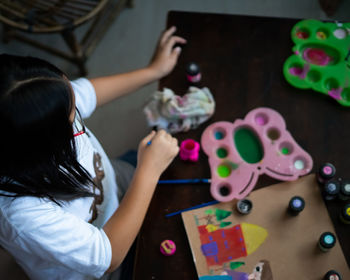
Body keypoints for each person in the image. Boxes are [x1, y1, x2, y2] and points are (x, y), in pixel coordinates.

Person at [0, 27, 186, 280]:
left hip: (112, 182)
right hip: (99, 262)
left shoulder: (40, 106)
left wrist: (153, 71)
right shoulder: (21, 214)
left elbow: (89, 91)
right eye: (71, 119)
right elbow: (109, 255)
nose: (78, 119)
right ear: (39, 148)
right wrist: (149, 170)